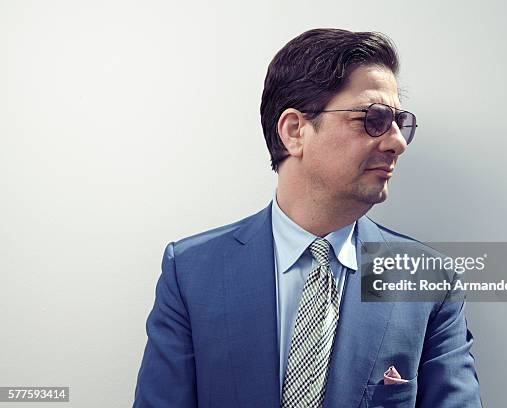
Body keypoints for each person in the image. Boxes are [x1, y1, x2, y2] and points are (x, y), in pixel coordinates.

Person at [133, 28, 481, 407]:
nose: (397, 142)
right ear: (295, 131)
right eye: (374, 119)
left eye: (401, 122)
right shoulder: (191, 273)